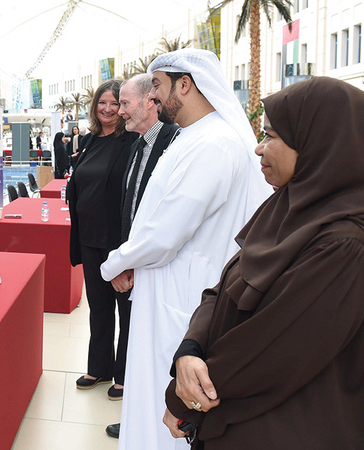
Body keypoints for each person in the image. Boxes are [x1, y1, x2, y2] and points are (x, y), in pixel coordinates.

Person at [164, 77, 364, 449]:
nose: (259, 148)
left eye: (271, 136)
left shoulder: (344, 245)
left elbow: (271, 351)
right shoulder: (285, 209)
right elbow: (223, 288)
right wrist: (189, 351)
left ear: (317, 144)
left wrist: (185, 399)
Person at [99, 49, 271, 450]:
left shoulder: (215, 143)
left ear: (185, 84)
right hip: (167, 290)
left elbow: (166, 232)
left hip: (183, 299)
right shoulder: (195, 137)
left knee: (166, 413)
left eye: (158, 86)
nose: (153, 96)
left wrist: (116, 263)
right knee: (149, 401)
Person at [103, 74, 181, 434]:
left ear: (151, 102)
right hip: (134, 265)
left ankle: (151, 422)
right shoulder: (138, 145)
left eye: (125, 103)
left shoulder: (174, 143)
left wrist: (131, 261)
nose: (120, 112)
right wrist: (124, 259)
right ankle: (138, 419)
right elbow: (129, 210)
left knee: (153, 350)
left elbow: (163, 220)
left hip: (155, 268)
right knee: (134, 341)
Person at [68, 80, 136, 392]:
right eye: (102, 103)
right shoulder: (89, 140)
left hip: (117, 240)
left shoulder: (131, 141)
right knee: (98, 307)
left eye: (114, 103)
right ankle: (99, 368)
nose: (107, 109)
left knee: (126, 310)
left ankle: (123, 375)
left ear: (123, 107)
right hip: (89, 237)